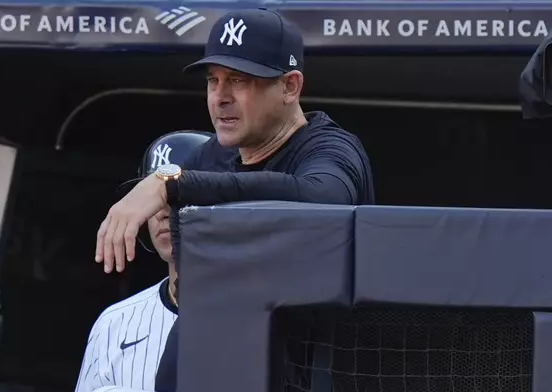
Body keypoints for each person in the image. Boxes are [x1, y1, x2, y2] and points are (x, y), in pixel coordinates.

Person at [93, 8, 376, 392]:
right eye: (213, 81)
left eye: (240, 81)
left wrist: (171, 184)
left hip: (314, 370)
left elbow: (325, 197)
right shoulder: (205, 159)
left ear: (290, 86)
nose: (220, 98)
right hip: (219, 365)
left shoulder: (328, 147)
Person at [75, 131, 213, 392]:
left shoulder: (259, 317)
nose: (161, 211)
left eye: (175, 194)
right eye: (151, 199)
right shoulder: (114, 323)